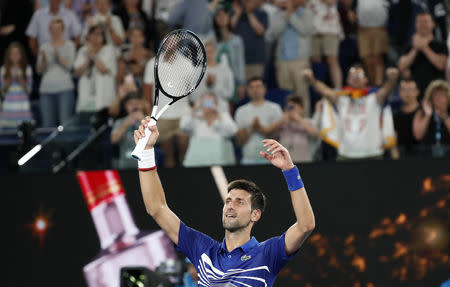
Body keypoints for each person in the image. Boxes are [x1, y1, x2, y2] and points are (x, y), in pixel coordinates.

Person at [133, 116, 315, 287]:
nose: (230, 206)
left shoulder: (267, 253)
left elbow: (305, 225)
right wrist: (147, 151)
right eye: (228, 201)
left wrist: (290, 170)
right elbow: (156, 208)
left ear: (255, 214)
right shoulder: (202, 248)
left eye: (240, 202)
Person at [303, 64, 399, 160]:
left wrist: (392, 79)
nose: (356, 78)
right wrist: (312, 80)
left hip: (373, 153)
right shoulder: (341, 98)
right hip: (346, 154)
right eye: (352, 76)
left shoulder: (374, 97)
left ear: (366, 79)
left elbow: (387, 90)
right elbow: (326, 92)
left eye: (360, 76)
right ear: (347, 80)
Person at [143, 56, 190, 167]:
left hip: (183, 115)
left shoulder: (186, 62)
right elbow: (147, 91)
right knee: (167, 151)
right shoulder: (152, 63)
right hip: (162, 116)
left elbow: (190, 88)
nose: (171, 43)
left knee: (185, 150)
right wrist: (151, 116)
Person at [275, 0, 313, 117]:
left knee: (302, 95)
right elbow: (273, 32)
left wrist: (290, 15)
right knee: (286, 94)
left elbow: (304, 30)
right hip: (282, 60)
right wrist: (286, 15)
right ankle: (289, 122)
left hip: (300, 60)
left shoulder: (307, 13)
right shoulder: (279, 14)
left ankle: (305, 121)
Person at [398, 11, 448, 98]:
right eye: (419, 22)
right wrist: (415, 49)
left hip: (436, 92)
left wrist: (424, 48)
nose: (422, 24)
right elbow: (401, 67)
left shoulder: (441, 45)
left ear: (433, 24)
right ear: (415, 24)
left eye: (425, 21)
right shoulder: (409, 47)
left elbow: (441, 65)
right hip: (415, 94)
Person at [36, 18, 76, 127]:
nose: (56, 32)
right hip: (46, 90)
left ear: (63, 30)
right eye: (53, 29)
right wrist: (43, 60)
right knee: (48, 125)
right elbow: (39, 71)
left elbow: (71, 67)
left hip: (65, 89)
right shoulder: (44, 46)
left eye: (58, 29)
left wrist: (59, 57)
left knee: (65, 124)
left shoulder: (70, 45)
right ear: (49, 30)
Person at [180, 92, 238, 167]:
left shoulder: (223, 117)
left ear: (216, 104)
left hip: (220, 163)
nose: (208, 105)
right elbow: (183, 126)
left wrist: (218, 113)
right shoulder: (195, 118)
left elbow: (233, 131)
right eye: (205, 102)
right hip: (196, 164)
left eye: (211, 102)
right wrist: (195, 108)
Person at [234, 77, 283, 165]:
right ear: (247, 90)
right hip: (248, 159)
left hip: (272, 159)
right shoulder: (241, 111)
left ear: (264, 89)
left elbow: (279, 137)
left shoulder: (275, 108)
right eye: (252, 87)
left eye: (258, 86)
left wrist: (260, 128)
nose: (255, 90)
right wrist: (252, 128)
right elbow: (239, 141)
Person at [258, 95, 320, 163]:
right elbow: (268, 133)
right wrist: (282, 119)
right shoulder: (282, 123)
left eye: (295, 107)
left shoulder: (308, 122)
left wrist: (298, 119)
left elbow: (316, 135)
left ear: (302, 109)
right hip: (284, 163)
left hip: (304, 161)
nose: (292, 110)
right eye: (290, 107)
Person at [74, 24, 117, 115]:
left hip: (104, 98)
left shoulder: (109, 50)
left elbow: (103, 69)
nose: (96, 37)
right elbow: (78, 72)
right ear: (89, 35)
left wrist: (92, 54)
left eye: (99, 34)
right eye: (93, 34)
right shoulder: (83, 51)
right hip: (86, 97)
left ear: (103, 37)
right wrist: (88, 58)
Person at [191, 39, 234, 114]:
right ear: (202, 54)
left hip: (221, 110)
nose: (208, 55)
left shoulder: (225, 70)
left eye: (210, 52)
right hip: (202, 112)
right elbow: (193, 96)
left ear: (216, 52)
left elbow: (230, 93)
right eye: (205, 52)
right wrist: (207, 85)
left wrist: (215, 85)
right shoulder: (197, 72)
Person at [213, 6, 246, 102]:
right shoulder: (211, 38)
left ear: (228, 17)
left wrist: (241, 83)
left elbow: (240, 62)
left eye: (224, 15)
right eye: (218, 16)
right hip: (217, 78)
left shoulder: (237, 40)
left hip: (233, 78)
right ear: (214, 19)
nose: (221, 18)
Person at [309, 0, 343, 89]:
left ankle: (338, 89)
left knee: (332, 59)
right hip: (312, 27)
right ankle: (318, 89)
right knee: (316, 61)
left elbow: (331, 1)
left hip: (330, 27)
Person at [231, 0, 268, 80]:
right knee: (240, 89)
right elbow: (229, 29)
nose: (246, 2)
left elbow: (260, 31)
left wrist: (249, 13)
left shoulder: (262, 13)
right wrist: (237, 14)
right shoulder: (235, 13)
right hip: (237, 60)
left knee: (255, 86)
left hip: (255, 60)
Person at [412, 79, 450, 157]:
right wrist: (428, 115)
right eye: (436, 95)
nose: (439, 98)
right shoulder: (422, 112)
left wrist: (445, 116)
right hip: (427, 156)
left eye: (442, 95)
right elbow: (418, 136)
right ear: (430, 97)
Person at [0, 42, 33, 129]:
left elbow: (28, 91)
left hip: (22, 106)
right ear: (9, 55)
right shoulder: (3, 70)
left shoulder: (27, 69)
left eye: (17, 53)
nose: (15, 56)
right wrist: (10, 79)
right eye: (12, 53)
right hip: (9, 107)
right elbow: (2, 91)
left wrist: (21, 80)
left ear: (21, 55)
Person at [356, 0, 388, 86]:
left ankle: (378, 85)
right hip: (363, 29)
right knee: (367, 59)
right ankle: (371, 84)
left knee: (377, 57)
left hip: (379, 28)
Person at [110, 91, 145, 169]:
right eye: (131, 104)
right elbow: (113, 140)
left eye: (137, 103)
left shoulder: (148, 120)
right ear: (126, 106)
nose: (134, 106)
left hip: (145, 163)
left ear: (142, 105)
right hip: (125, 164)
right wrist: (126, 124)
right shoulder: (120, 122)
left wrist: (143, 121)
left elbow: (157, 139)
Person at [393, 78, 421, 157]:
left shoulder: (425, 112)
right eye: (403, 90)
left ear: (417, 92)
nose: (407, 93)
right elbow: (394, 140)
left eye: (410, 89)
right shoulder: (396, 116)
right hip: (402, 159)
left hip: (424, 158)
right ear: (399, 92)